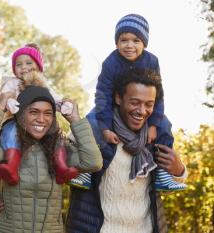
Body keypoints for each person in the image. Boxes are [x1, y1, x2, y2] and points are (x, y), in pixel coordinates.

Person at [70, 13, 186, 191]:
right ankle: (85, 170)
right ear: (117, 43)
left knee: (164, 124)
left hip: (140, 104)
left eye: (136, 40)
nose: (129, 45)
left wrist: (154, 124)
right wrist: (106, 128)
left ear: (144, 43)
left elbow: (158, 94)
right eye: (124, 40)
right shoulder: (111, 62)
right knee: (91, 121)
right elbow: (103, 94)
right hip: (111, 104)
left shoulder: (151, 61)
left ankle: (162, 173)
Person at [65, 70, 187, 233]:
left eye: (149, 104)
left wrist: (179, 170)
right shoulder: (96, 131)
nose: (142, 111)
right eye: (135, 102)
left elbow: (169, 183)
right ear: (118, 98)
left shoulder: (153, 137)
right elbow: (64, 163)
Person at [0, 85, 103, 232]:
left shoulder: (60, 149)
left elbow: (93, 162)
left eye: (48, 113)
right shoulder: (6, 146)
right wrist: (0, 106)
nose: (41, 119)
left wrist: (75, 120)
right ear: (20, 114)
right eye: (33, 112)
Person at [0, 44, 76, 186]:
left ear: (38, 66)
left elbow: (55, 99)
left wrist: (64, 105)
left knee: (56, 137)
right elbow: (6, 97)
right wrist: (10, 102)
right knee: (10, 133)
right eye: (18, 64)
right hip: (16, 120)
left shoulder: (42, 85)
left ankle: (61, 168)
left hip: (40, 124)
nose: (23, 67)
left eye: (28, 63)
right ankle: (11, 166)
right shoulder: (11, 83)